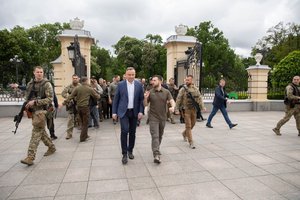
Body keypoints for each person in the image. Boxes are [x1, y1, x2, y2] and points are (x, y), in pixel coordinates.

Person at [20, 66, 56, 166]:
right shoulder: (30, 84)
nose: (39, 74)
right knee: (41, 132)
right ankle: (51, 147)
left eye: (41, 72)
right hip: (33, 112)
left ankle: (30, 157)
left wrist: (35, 102)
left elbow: (49, 99)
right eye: (38, 72)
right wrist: (25, 108)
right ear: (34, 73)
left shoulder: (47, 84)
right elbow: (27, 98)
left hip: (43, 111)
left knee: (36, 133)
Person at [112, 67, 144, 164]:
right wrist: (114, 112)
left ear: (135, 75)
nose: (131, 76)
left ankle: (130, 150)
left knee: (132, 132)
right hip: (123, 112)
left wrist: (141, 111)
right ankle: (124, 154)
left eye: (132, 75)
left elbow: (141, 100)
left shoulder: (139, 85)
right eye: (129, 75)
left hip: (134, 112)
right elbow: (116, 99)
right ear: (125, 75)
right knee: (124, 131)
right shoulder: (120, 85)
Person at [144, 75, 175, 163]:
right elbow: (145, 104)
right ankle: (156, 154)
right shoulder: (150, 91)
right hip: (153, 117)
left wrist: (173, 107)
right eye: (152, 80)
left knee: (160, 135)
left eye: (154, 80)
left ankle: (156, 148)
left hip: (163, 117)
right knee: (155, 135)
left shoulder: (166, 92)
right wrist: (145, 98)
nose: (152, 82)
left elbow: (172, 101)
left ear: (160, 81)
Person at [64, 77, 100, 142]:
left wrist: (64, 103)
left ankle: (85, 135)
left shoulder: (77, 88)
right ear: (86, 81)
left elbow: (70, 96)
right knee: (85, 123)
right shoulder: (89, 89)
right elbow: (97, 96)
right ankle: (82, 138)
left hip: (78, 107)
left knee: (82, 122)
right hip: (85, 108)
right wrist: (95, 92)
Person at [175, 75, 206, 149]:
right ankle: (191, 142)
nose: (187, 81)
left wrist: (202, 107)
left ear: (192, 81)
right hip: (186, 110)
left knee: (193, 124)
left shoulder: (195, 89)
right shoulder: (183, 89)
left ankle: (184, 133)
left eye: (188, 80)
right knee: (188, 126)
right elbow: (178, 99)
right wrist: (176, 109)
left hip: (194, 110)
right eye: (186, 80)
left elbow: (199, 98)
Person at [61, 74, 81, 139]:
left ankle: (83, 133)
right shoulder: (69, 87)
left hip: (79, 105)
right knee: (70, 120)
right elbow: (63, 93)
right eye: (74, 78)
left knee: (80, 119)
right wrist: (69, 97)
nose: (75, 79)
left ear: (78, 79)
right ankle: (69, 134)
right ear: (72, 79)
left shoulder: (80, 86)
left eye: (76, 78)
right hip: (71, 105)